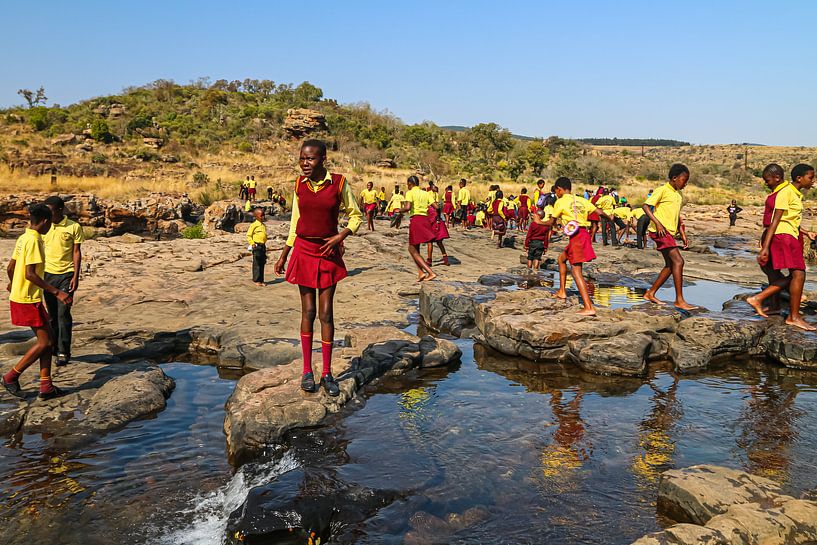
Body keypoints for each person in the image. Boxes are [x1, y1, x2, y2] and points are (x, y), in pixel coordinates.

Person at [274, 139, 362, 396]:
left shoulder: (339, 183)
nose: (304, 163)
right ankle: (306, 372)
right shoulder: (299, 185)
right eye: (302, 158)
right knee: (308, 311)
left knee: (326, 313)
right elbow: (295, 223)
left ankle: (327, 373)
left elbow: (355, 215)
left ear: (323, 159)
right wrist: (283, 255)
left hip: (327, 250)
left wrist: (340, 236)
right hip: (303, 249)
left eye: (310, 159)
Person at [2, 203, 72, 400]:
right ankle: (11, 376)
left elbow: (10, 268)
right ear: (44, 221)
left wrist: (12, 284)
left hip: (22, 295)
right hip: (27, 299)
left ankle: (46, 386)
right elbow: (30, 274)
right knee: (46, 342)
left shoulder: (23, 237)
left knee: (48, 340)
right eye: (49, 223)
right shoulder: (34, 241)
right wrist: (57, 292)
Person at [746, 164, 817, 330]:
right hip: (785, 237)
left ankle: (775, 306)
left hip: (787, 234)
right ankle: (791, 315)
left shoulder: (791, 192)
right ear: (799, 178)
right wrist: (764, 247)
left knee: (783, 273)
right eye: (810, 177)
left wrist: (806, 233)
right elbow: (775, 221)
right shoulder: (786, 192)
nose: (812, 181)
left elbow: (788, 219)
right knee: (798, 275)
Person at [535, 177, 611, 316]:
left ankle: (588, 307)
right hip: (583, 234)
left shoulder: (560, 201)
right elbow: (599, 212)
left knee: (576, 272)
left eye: (556, 191)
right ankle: (562, 291)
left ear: (559, 189)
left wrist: (538, 221)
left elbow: (551, 222)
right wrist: (611, 218)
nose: (556, 193)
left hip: (576, 238)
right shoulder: (581, 200)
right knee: (561, 259)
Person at [642, 164, 695, 309]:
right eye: (684, 180)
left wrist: (682, 233)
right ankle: (679, 300)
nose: (685, 183)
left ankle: (650, 293)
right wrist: (658, 224)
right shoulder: (662, 190)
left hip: (670, 233)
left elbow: (677, 216)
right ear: (674, 178)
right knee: (679, 262)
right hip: (660, 232)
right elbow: (646, 206)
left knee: (671, 265)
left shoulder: (679, 194)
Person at [42, 196, 84, 366]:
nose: (47, 214)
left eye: (50, 211)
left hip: (66, 275)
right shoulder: (44, 226)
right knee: (51, 315)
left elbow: (76, 252)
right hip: (47, 275)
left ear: (60, 210)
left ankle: (63, 351)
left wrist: (75, 276)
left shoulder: (74, 227)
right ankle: (53, 346)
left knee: (63, 313)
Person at [401, 176, 437, 281]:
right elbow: (436, 206)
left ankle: (430, 272)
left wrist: (399, 210)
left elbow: (407, 207)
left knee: (411, 248)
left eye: (408, 184)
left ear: (410, 183)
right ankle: (420, 273)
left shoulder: (410, 193)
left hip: (416, 220)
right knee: (415, 248)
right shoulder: (426, 193)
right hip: (425, 220)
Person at [426, 185, 451, 266]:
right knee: (439, 242)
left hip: (433, 224)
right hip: (437, 223)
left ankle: (429, 260)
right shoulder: (433, 201)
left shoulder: (430, 207)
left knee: (430, 242)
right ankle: (445, 259)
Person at [524, 202, 552, 270]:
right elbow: (546, 238)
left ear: (538, 216)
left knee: (530, 257)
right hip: (540, 244)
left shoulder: (533, 224)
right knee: (537, 258)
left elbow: (529, 235)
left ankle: (529, 269)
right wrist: (545, 247)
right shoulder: (545, 225)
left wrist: (526, 244)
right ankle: (535, 270)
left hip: (533, 243)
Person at [247, 208, 267, 286]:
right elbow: (249, 235)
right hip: (257, 245)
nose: (263, 217)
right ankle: (256, 280)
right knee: (257, 263)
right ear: (256, 216)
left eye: (263, 215)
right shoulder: (254, 225)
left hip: (262, 245)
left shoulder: (263, 225)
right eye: (261, 215)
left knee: (262, 262)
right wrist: (252, 243)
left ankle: (261, 280)